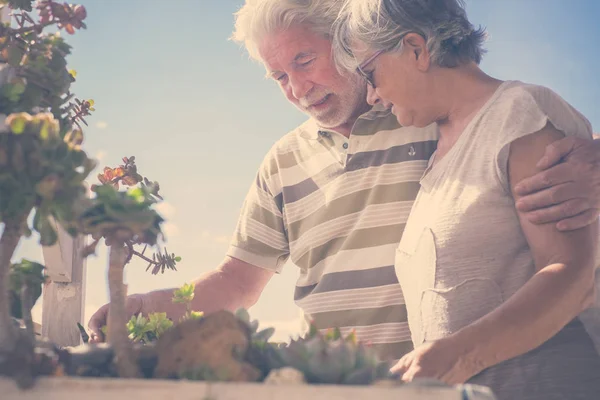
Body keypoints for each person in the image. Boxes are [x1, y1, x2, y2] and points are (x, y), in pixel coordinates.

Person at [88, 0, 600, 366]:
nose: (297, 88)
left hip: (447, 373)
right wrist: (143, 306)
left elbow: (511, 122)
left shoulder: (422, 112)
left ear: (351, 47)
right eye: (279, 77)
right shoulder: (282, 161)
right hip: (336, 380)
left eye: (304, 61)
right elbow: (237, 283)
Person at [332, 0, 600, 398]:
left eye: (370, 74)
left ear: (416, 49)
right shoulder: (436, 152)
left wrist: (459, 357)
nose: (372, 96)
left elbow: (573, 276)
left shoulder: (518, 113)